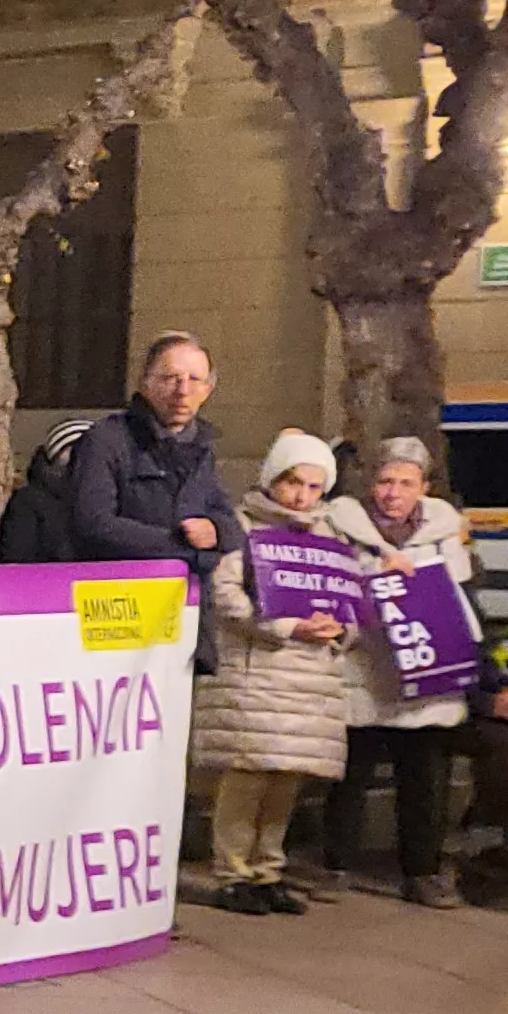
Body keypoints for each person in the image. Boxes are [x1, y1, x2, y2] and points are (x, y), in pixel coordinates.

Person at [191, 432, 355, 914]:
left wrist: (338, 628)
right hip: (255, 671)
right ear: (272, 480)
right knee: (247, 778)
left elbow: (350, 600)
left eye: (313, 486)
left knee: (286, 778)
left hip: (306, 679)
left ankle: (268, 869)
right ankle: (233, 872)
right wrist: (285, 626)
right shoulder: (240, 529)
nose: (302, 496)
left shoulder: (331, 538)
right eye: (293, 483)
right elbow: (225, 597)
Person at [320, 438, 474, 906]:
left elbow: (461, 593)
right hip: (364, 667)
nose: (393, 492)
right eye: (386, 481)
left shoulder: (445, 533)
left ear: (423, 488)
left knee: (424, 777)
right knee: (349, 774)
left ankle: (422, 871)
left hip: (426, 675)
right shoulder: (340, 527)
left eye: (405, 483)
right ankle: (336, 863)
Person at [69, 334, 237, 662]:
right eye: (170, 378)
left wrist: (215, 530)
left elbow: (232, 524)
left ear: (208, 390)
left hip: (184, 619)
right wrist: (185, 547)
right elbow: (93, 523)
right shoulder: (107, 440)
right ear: (145, 383)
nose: (182, 390)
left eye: (194, 380)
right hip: (116, 616)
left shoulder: (202, 448)